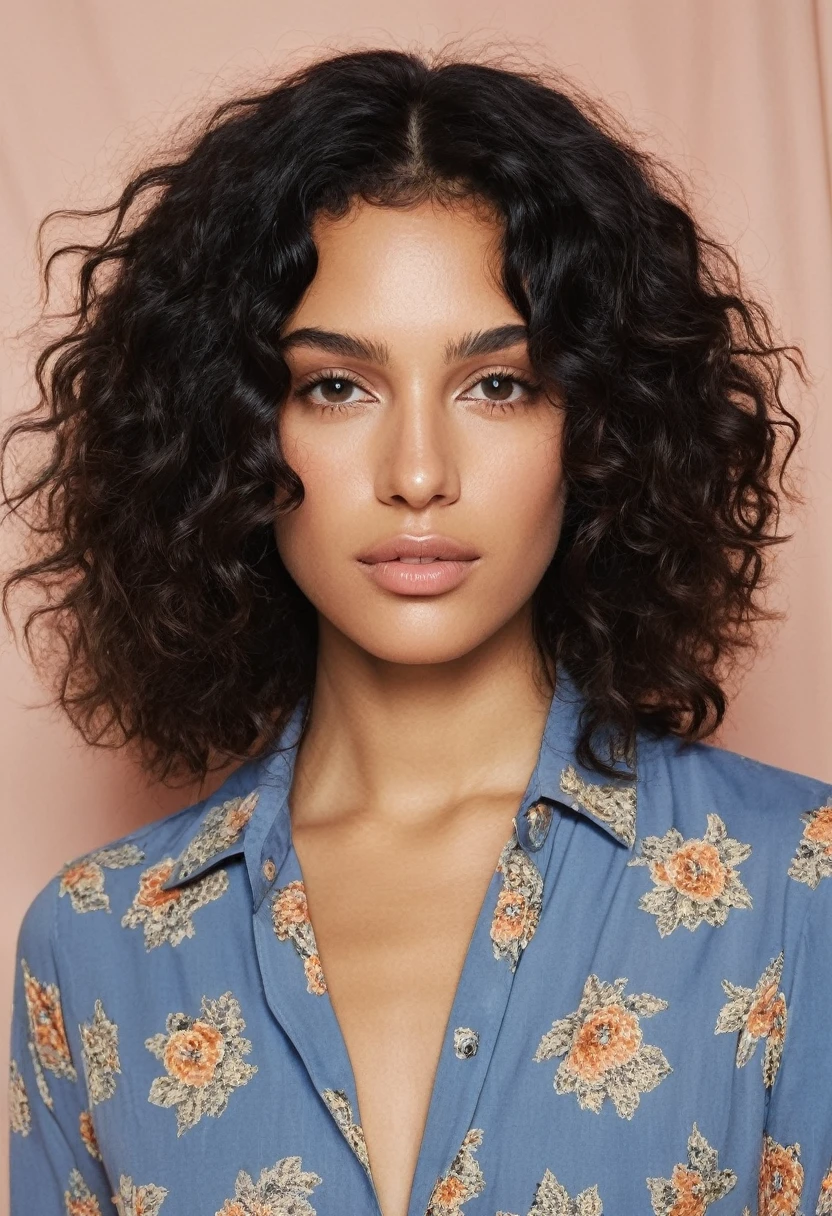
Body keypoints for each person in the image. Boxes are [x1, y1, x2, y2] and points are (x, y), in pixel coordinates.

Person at [2, 45, 831, 1216]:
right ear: (231, 429)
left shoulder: (795, 889)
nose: (419, 472)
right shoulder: (95, 948)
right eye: (335, 387)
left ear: (600, 419)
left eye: (498, 384)